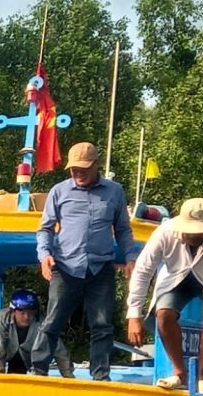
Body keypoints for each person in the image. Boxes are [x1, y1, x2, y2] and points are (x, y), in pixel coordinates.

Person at [124, 197, 203, 389]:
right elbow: (143, 270)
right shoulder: (164, 233)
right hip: (175, 281)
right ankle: (179, 373)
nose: (194, 235)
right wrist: (134, 315)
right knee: (164, 313)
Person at [33, 142, 133, 380]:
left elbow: (123, 230)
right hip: (65, 267)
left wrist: (130, 257)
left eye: (84, 169)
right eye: (74, 169)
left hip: (100, 269)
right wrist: (44, 255)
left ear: (96, 165)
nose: (78, 173)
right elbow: (44, 229)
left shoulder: (114, 191)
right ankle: (38, 371)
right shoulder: (59, 191)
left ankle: (100, 376)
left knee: (102, 325)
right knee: (53, 320)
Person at [0, 290, 42, 374]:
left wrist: (67, 377)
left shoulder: (42, 322)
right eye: (22, 313)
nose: (26, 317)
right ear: (13, 311)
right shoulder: (2, 318)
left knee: (20, 376)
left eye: (31, 313)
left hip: (24, 358)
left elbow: (57, 348)